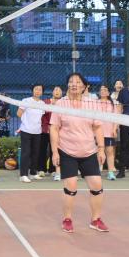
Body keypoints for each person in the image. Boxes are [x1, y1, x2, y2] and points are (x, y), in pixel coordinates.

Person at [49, 72, 108, 234]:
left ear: (84, 86)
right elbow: (54, 128)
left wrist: (101, 149)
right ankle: (67, 219)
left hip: (89, 151)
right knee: (71, 186)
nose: (74, 84)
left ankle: (96, 220)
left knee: (97, 185)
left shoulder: (92, 103)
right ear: (67, 85)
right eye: (71, 81)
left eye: (77, 82)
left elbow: (98, 127)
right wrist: (55, 152)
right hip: (67, 151)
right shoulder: (61, 104)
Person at [17, 84, 45, 182]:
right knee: (26, 152)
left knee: (35, 153)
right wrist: (25, 123)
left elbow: (40, 117)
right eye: (36, 89)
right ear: (32, 91)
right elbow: (19, 113)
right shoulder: (26, 101)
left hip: (37, 131)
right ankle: (23, 175)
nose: (38, 91)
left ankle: (33, 173)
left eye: (40, 90)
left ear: (42, 92)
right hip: (26, 131)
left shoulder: (42, 103)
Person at [94, 84, 118, 181]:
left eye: (105, 90)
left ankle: (110, 172)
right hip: (97, 132)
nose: (103, 91)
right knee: (98, 151)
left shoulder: (113, 104)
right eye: (101, 90)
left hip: (109, 132)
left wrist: (114, 129)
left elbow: (116, 118)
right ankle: (97, 172)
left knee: (110, 152)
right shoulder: (95, 103)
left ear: (108, 93)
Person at [42, 86, 62, 179]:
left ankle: (53, 170)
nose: (57, 92)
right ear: (52, 92)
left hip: (57, 130)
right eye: (55, 90)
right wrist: (51, 106)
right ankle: (41, 169)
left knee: (54, 150)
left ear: (61, 93)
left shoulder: (63, 103)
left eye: (59, 90)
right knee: (42, 149)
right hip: (45, 129)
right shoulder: (46, 102)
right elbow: (42, 114)